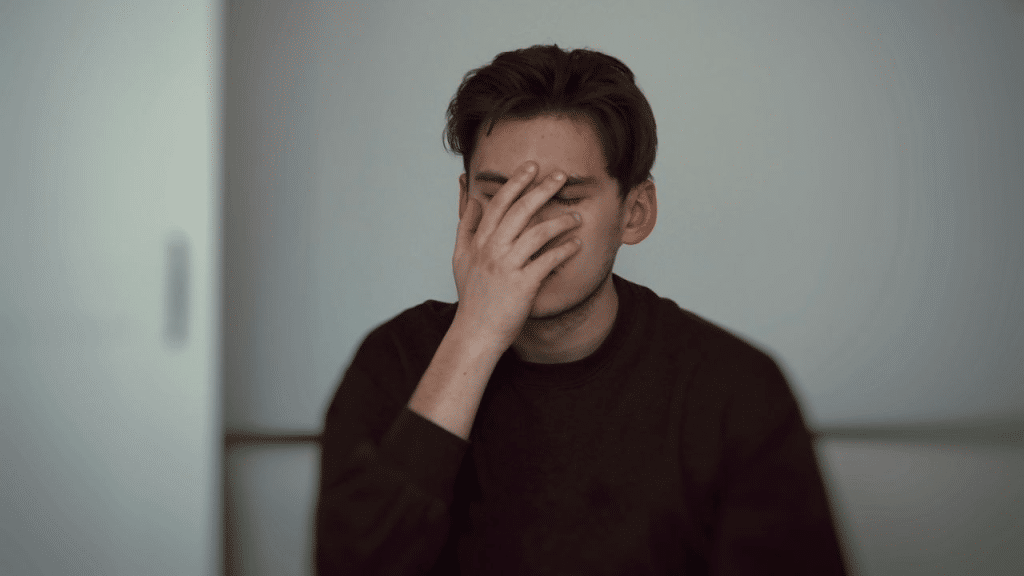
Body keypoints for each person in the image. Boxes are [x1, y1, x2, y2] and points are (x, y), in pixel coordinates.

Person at [315, 44, 848, 575]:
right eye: (499, 197)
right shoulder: (393, 362)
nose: (527, 230)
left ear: (635, 213)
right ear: (464, 202)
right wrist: (474, 336)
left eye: (565, 199)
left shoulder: (734, 391)